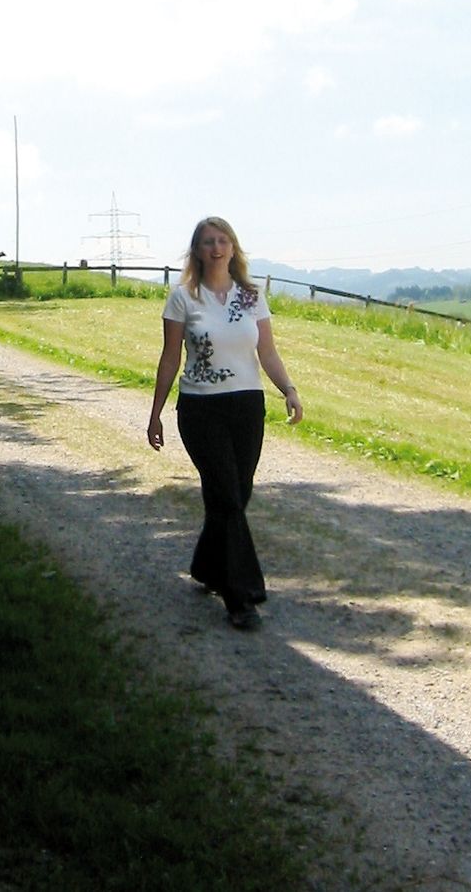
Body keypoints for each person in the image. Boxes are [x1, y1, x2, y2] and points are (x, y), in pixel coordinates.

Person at [147, 216, 303, 631]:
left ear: (233, 248)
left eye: (223, 241)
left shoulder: (251, 296)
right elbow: (170, 358)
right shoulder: (183, 298)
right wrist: (156, 412)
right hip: (201, 408)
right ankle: (241, 597)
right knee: (228, 497)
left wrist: (288, 388)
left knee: (236, 494)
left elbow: (267, 351)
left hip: (247, 407)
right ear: (196, 251)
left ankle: (206, 566)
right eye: (207, 242)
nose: (216, 248)